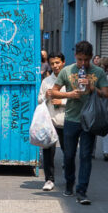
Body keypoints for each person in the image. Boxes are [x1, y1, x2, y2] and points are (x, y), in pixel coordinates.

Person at [48, 40, 108, 204]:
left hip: (90, 120)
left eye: (86, 60)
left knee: (85, 156)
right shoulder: (67, 71)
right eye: (80, 59)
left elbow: (105, 93)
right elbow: (53, 92)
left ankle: (82, 191)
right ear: (75, 56)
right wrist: (69, 95)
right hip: (71, 119)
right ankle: (69, 183)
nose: (83, 63)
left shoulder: (98, 72)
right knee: (68, 155)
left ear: (90, 57)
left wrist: (92, 88)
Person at [38, 51, 66, 192]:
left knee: (69, 151)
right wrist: (46, 97)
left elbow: (77, 98)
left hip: (67, 120)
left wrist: (62, 101)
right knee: (48, 151)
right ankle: (49, 179)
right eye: (52, 63)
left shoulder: (69, 79)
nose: (55, 66)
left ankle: (69, 176)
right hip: (50, 121)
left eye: (57, 63)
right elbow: (39, 100)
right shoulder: (46, 81)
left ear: (63, 62)